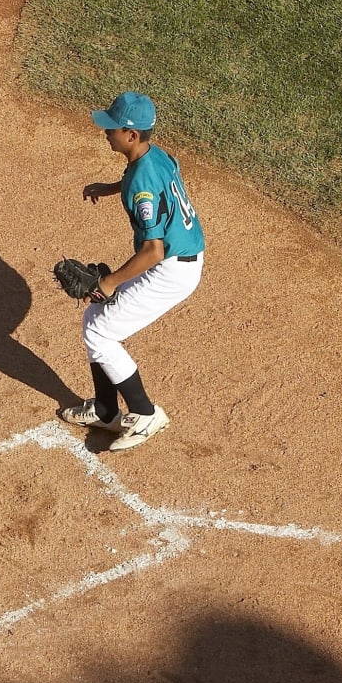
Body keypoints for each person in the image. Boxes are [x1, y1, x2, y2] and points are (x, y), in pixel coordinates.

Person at [60, 91, 205, 451]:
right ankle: (107, 410)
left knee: (101, 334)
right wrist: (110, 188)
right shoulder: (157, 156)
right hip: (182, 256)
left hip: (172, 269)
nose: (105, 132)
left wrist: (109, 282)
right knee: (93, 315)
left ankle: (145, 414)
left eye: (112, 128)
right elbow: (151, 184)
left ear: (132, 135)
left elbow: (152, 250)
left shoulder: (141, 178)